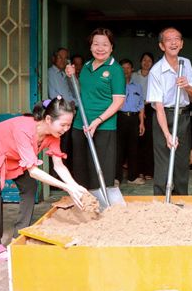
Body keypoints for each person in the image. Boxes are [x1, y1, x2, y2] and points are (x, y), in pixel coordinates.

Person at [0, 98, 87, 261]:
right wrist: (67, 188)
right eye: (63, 125)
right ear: (48, 119)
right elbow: (33, 171)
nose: (66, 129)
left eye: (69, 125)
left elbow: (59, 166)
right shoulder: (24, 129)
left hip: (12, 156)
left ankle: (18, 235)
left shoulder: (54, 135)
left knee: (30, 187)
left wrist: (75, 186)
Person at [66, 28, 125, 189]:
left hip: (103, 126)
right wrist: (71, 76)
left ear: (111, 47)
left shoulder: (116, 69)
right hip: (81, 125)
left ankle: (102, 202)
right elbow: (79, 93)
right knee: (81, 170)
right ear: (90, 46)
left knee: (101, 171)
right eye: (96, 44)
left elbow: (118, 102)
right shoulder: (86, 67)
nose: (100, 48)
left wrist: (98, 121)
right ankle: (84, 201)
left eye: (105, 44)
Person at [147, 27, 192, 196]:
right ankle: (161, 200)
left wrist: (187, 86)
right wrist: (167, 134)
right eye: (169, 40)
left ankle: (181, 198)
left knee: (182, 161)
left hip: (183, 116)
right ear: (162, 46)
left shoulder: (186, 63)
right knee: (163, 161)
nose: (173, 43)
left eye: (177, 39)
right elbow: (158, 107)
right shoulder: (156, 71)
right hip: (164, 116)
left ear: (182, 43)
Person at [115, 59, 146, 185]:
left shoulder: (137, 86)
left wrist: (141, 123)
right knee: (118, 149)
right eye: (123, 68)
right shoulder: (115, 86)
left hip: (134, 119)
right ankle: (116, 178)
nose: (125, 70)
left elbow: (141, 105)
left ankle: (132, 177)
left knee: (133, 148)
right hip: (119, 117)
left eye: (128, 68)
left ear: (132, 70)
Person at [47, 47, 76, 168]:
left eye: (65, 58)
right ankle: (57, 172)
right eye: (60, 57)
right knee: (60, 144)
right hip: (59, 113)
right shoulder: (50, 73)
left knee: (68, 144)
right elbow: (53, 95)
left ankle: (65, 169)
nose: (63, 60)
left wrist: (73, 103)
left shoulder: (64, 74)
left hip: (70, 112)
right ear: (54, 58)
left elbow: (73, 93)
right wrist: (69, 104)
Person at [131, 52, 154, 180]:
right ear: (140, 62)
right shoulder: (134, 75)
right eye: (144, 60)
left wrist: (144, 105)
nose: (146, 62)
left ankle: (149, 170)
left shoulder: (154, 75)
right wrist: (140, 107)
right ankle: (138, 170)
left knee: (149, 140)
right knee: (138, 139)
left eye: (149, 60)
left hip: (150, 108)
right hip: (135, 108)